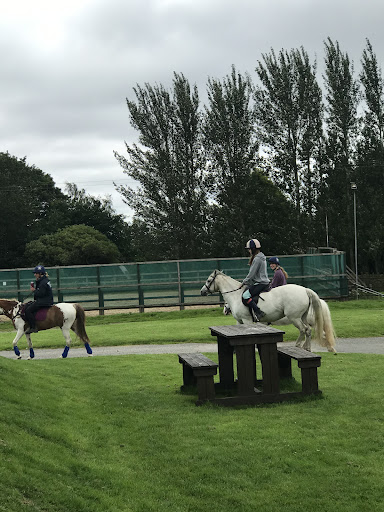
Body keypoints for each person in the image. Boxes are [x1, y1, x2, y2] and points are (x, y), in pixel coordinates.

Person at [240, 239, 270, 322]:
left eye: (249, 249)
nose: (249, 251)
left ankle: (258, 312)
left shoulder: (257, 259)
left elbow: (251, 274)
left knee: (245, 296)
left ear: (253, 249)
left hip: (260, 283)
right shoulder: (262, 257)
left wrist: (244, 282)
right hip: (265, 282)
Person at [24, 265, 54, 334]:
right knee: (28, 305)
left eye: (36, 273)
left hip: (45, 301)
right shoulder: (43, 281)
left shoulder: (43, 282)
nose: (35, 275)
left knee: (28, 310)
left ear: (40, 274)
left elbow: (41, 293)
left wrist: (33, 290)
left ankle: (33, 327)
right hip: (45, 300)